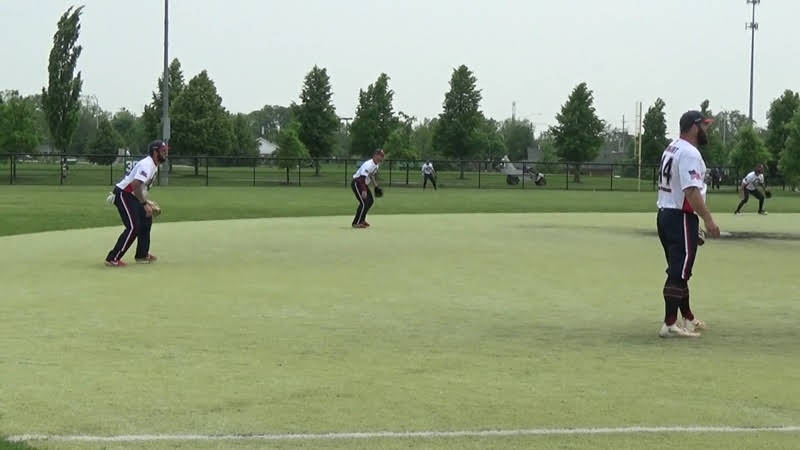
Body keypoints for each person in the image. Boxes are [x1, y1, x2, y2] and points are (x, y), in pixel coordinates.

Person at [656, 111, 720, 338]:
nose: (707, 129)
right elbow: (691, 190)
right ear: (694, 127)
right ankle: (670, 324)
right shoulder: (690, 152)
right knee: (678, 272)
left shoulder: (673, 147)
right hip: (680, 216)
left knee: (680, 270)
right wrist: (708, 219)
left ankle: (688, 317)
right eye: (704, 125)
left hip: (666, 214)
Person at [104, 140, 168, 267]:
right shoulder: (147, 165)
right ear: (155, 152)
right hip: (124, 194)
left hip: (132, 195)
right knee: (133, 226)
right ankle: (113, 258)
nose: (166, 153)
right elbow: (135, 185)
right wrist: (144, 204)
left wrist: (147, 202)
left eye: (166, 151)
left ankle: (142, 255)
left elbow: (141, 188)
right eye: (163, 151)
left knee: (146, 219)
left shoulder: (153, 165)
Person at [351, 149, 384, 228]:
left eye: (383, 156)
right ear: (375, 155)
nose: (382, 157)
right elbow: (362, 178)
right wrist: (364, 190)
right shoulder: (368, 164)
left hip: (363, 184)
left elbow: (371, 175)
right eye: (381, 156)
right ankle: (356, 223)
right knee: (364, 203)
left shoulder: (376, 165)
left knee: (370, 201)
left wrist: (376, 186)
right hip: (357, 183)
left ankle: (362, 220)